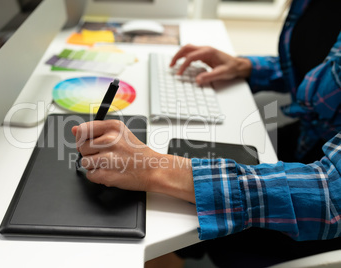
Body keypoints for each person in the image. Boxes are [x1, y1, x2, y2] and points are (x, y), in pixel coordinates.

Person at [73, 0, 341, 266]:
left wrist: (155, 168)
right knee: (157, 202)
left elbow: (329, 194)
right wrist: (247, 67)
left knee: (157, 216)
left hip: (315, 211)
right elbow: (316, 67)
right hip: (306, 142)